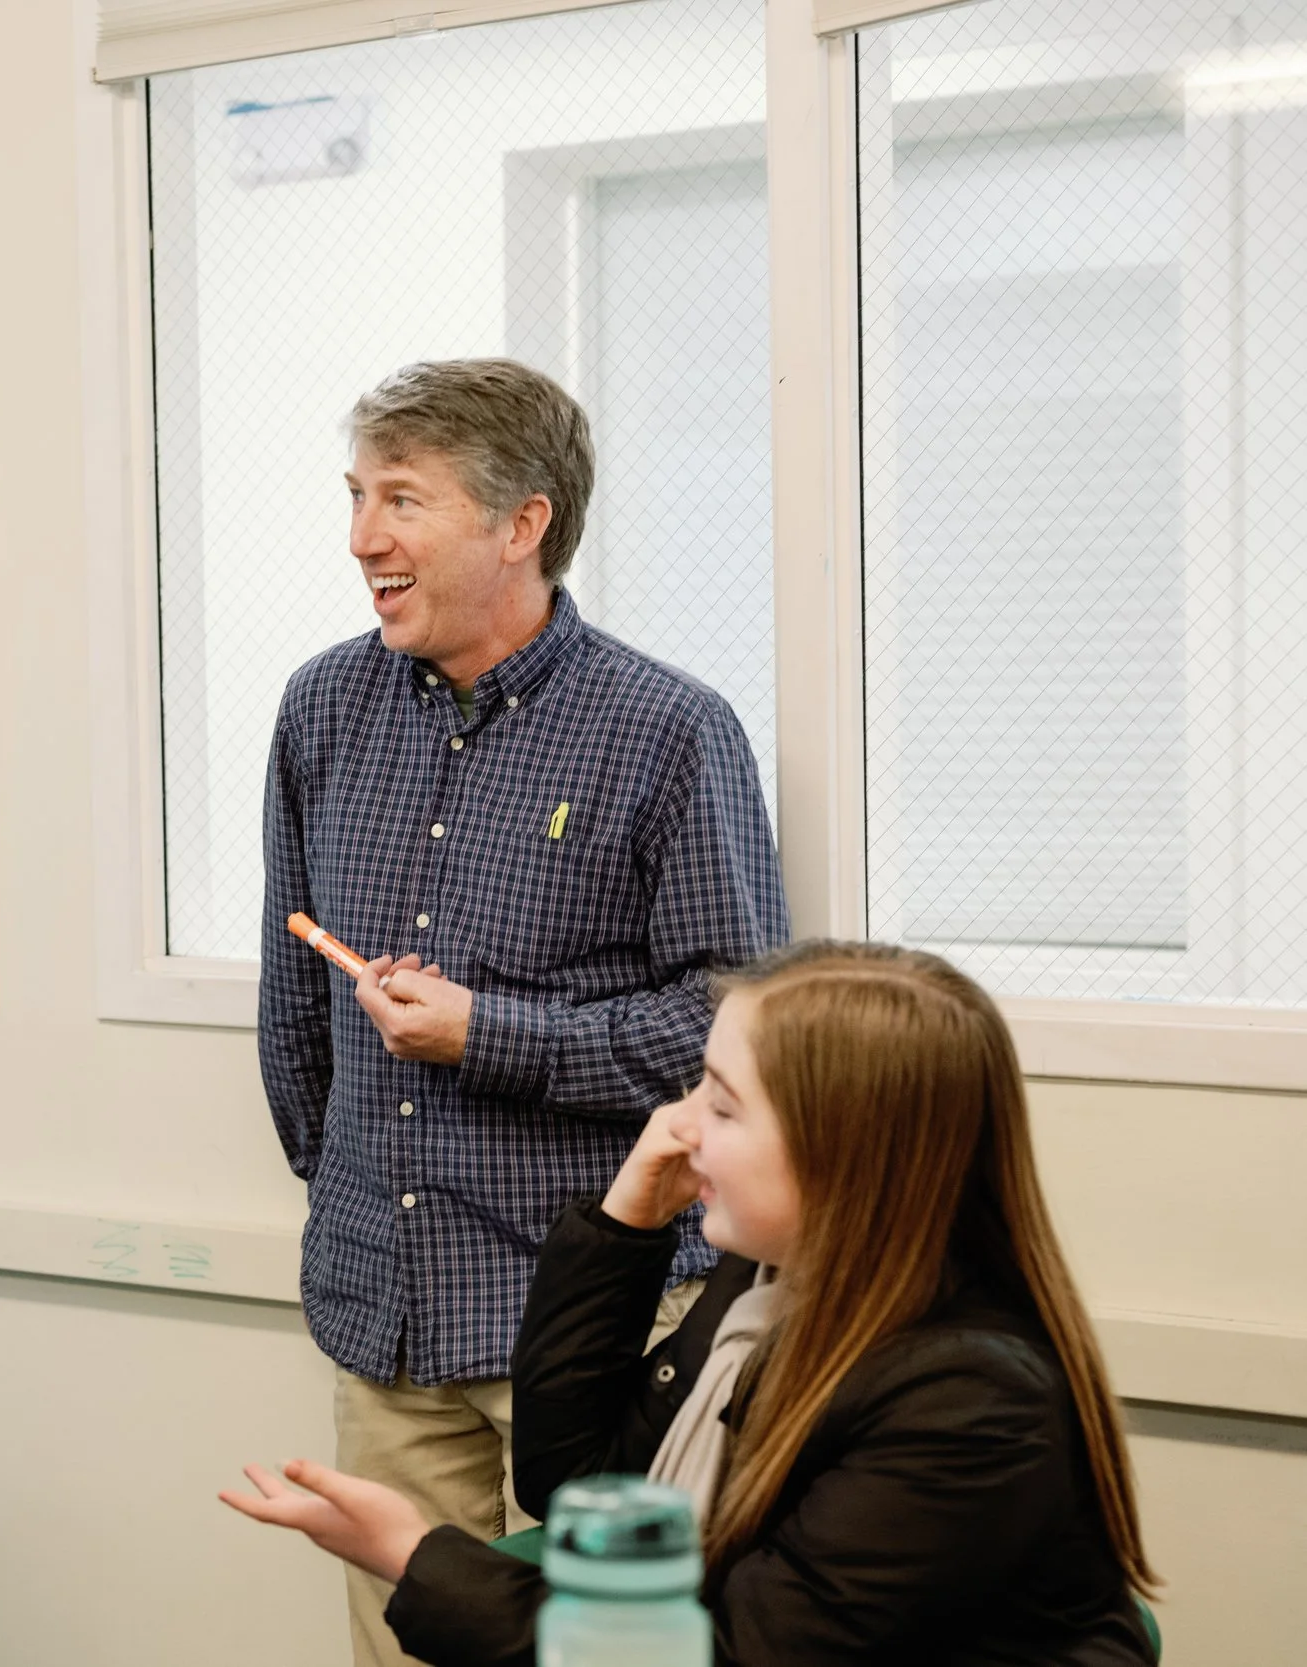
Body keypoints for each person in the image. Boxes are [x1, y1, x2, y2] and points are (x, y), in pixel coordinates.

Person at [258, 357, 787, 1664]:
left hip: (599, 1328)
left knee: (599, 1653)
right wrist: (350, 1192)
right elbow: (294, 1017)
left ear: (522, 523)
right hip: (385, 1320)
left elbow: (738, 1033)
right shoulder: (320, 707)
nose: (362, 536)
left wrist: (488, 1035)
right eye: (355, 495)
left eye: (401, 499)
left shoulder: (668, 731)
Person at [225, 941, 1161, 1666]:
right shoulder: (770, 1283)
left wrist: (416, 1553)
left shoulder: (965, 1400)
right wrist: (625, 1220)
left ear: (841, 1148)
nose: (677, 1128)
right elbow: (577, 1482)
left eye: (720, 1103)